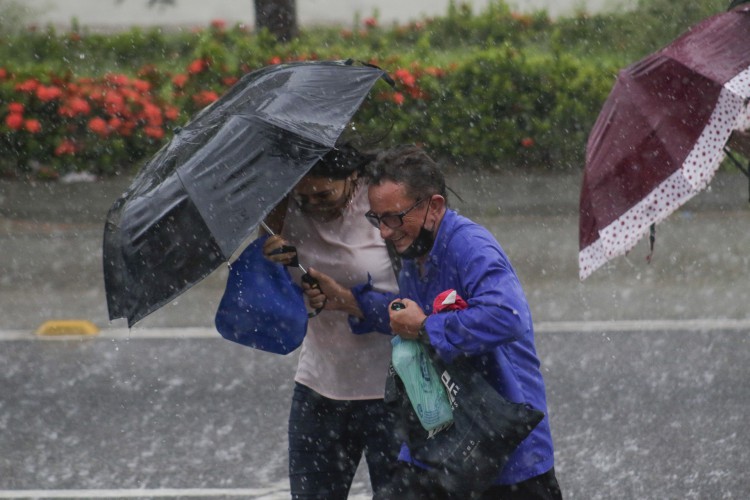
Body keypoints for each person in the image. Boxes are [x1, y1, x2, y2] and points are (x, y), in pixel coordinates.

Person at [306, 144, 562, 499]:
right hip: (445, 444)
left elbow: (508, 316)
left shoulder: (470, 246)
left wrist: (427, 327)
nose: (384, 232)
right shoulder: (416, 249)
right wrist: (349, 301)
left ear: (434, 207)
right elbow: (408, 314)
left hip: (504, 446)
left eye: (394, 217)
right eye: (376, 218)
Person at [224, 144, 401, 499]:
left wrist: (349, 301)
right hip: (320, 388)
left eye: (324, 194)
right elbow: (266, 311)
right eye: (302, 195)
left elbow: (421, 300)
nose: (312, 204)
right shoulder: (281, 213)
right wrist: (268, 267)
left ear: (352, 177)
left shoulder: (385, 205)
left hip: (395, 389)